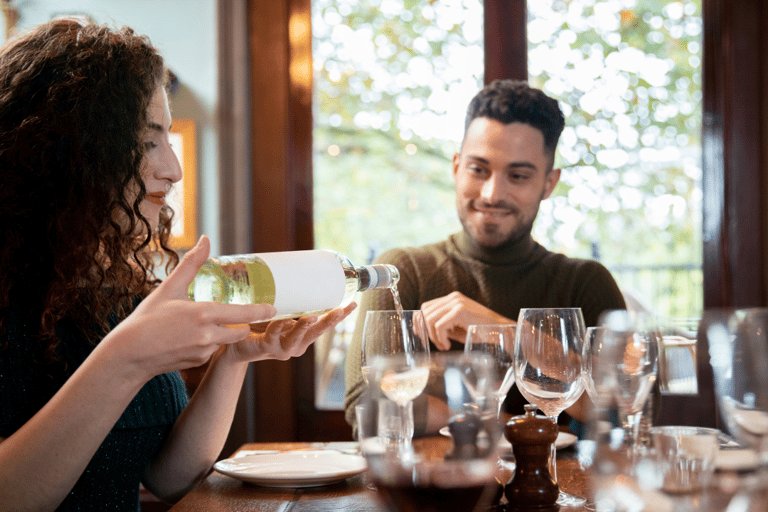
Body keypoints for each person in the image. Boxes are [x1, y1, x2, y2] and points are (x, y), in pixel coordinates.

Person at [0, 20, 355, 510]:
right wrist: (123, 359)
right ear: (69, 149)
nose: (174, 168)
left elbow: (169, 476)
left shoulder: (115, 289)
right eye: (149, 141)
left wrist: (235, 357)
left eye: (168, 137)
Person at [344, 79, 626, 434]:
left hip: (561, 490)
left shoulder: (585, 282)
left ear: (548, 184)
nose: (493, 193)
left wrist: (504, 332)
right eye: (479, 169)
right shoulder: (402, 272)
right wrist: (500, 428)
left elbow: (626, 413)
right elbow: (366, 408)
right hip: (434, 488)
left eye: (518, 175)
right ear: (456, 167)